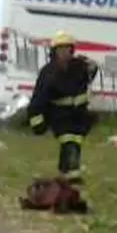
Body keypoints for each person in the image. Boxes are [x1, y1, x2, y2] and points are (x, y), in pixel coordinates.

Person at [26, 32, 98, 184]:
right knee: (68, 141)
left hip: (79, 115)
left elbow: (90, 74)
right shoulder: (48, 72)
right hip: (59, 115)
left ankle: (66, 172)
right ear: (54, 51)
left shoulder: (79, 67)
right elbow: (39, 97)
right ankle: (71, 174)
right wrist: (37, 122)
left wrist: (92, 66)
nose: (65, 53)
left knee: (75, 141)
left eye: (68, 49)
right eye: (61, 50)